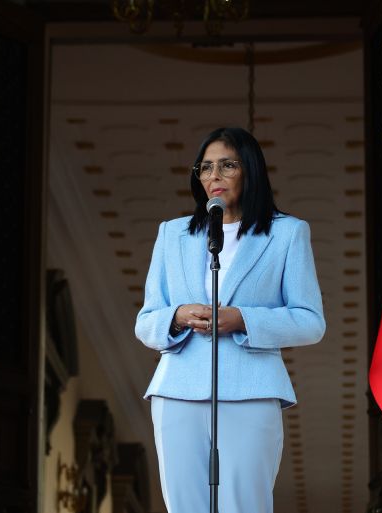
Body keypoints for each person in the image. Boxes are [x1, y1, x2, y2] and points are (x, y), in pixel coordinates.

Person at [135, 127, 325, 512]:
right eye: (205, 168)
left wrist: (243, 319)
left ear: (250, 170)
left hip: (252, 388)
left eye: (227, 165)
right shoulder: (172, 235)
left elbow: (310, 321)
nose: (213, 176)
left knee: (245, 503)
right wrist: (176, 316)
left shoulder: (287, 233)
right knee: (185, 505)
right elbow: (146, 321)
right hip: (178, 390)